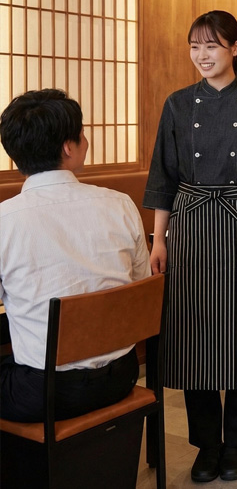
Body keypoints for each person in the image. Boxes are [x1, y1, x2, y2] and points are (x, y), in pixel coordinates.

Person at [143, 11, 237, 483]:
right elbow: (163, 176)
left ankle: (236, 444)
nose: (202, 55)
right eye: (194, 46)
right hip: (187, 226)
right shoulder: (177, 104)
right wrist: (158, 239)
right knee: (192, 336)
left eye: (211, 45)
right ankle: (206, 445)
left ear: (235, 47)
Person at [0, 89, 150, 422]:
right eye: (82, 135)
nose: (85, 142)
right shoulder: (120, 204)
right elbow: (140, 288)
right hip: (121, 374)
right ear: (68, 147)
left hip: (45, 393)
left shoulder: (5, 220)